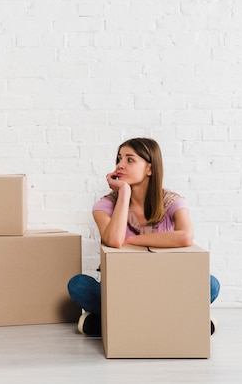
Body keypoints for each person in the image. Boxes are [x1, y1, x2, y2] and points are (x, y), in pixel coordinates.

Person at [68, 137, 220, 336]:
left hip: (165, 287)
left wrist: (130, 241)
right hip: (123, 291)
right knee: (78, 285)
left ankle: (111, 323)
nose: (121, 165)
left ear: (149, 168)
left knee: (210, 283)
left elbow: (185, 237)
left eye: (130, 160)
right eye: (118, 159)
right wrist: (124, 193)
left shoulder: (172, 201)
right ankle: (179, 319)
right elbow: (114, 240)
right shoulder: (105, 205)